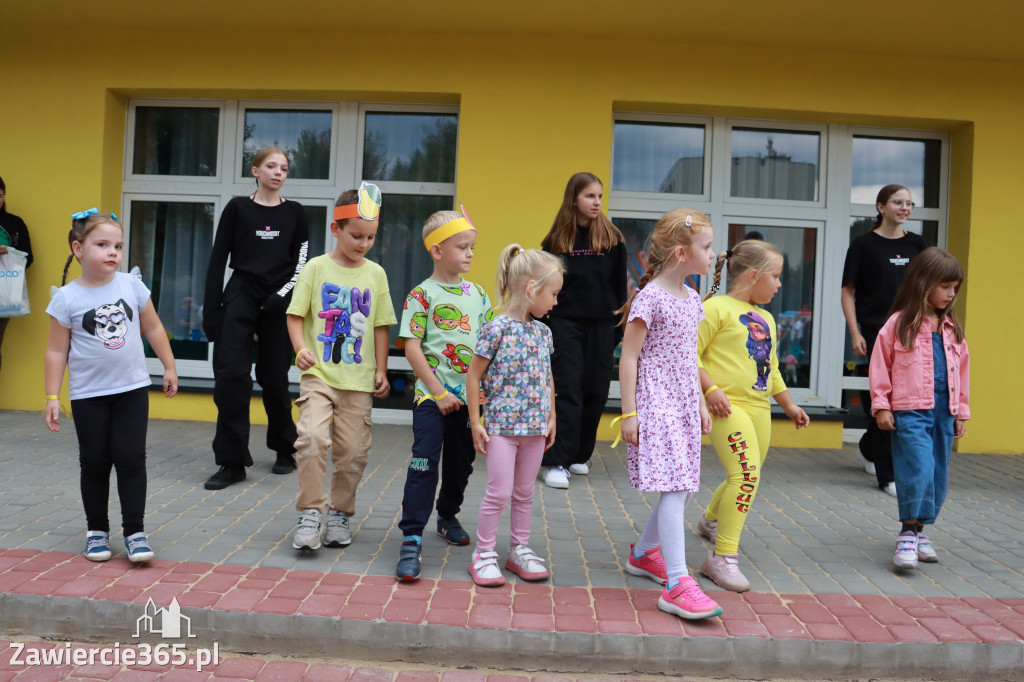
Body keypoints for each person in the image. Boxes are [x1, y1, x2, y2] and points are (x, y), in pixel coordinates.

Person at [43, 209, 177, 562]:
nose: (113, 252)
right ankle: (97, 532)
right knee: (95, 462)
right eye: (102, 244)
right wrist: (52, 395)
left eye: (117, 245)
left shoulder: (131, 286)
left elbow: (154, 328)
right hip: (88, 396)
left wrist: (169, 365)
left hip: (132, 389)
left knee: (132, 459)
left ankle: (135, 531)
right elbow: (56, 350)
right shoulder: (67, 299)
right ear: (78, 248)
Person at [617, 209, 722, 620]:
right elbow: (628, 357)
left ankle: (644, 553)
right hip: (656, 402)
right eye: (707, 247)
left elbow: (689, 355)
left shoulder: (693, 297)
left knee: (679, 486)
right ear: (681, 253)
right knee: (677, 488)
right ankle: (678, 582)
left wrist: (699, 400)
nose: (713, 255)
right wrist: (629, 414)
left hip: (681, 404)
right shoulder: (651, 298)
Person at [286, 183, 396, 551]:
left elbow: (381, 324)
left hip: (359, 380)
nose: (363, 244)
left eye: (370, 237)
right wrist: (301, 348)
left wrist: (381, 369)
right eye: (356, 236)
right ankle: (311, 512)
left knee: (352, 452)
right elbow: (295, 316)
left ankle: (339, 514)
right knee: (313, 440)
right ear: (336, 229)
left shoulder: (376, 274)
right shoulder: (316, 268)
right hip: (319, 375)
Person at [696, 239, 810, 592]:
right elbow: (687, 354)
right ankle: (722, 557)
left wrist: (789, 404)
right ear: (753, 274)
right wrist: (711, 389)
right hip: (726, 407)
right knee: (745, 475)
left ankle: (711, 519)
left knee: (749, 473)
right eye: (775, 277)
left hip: (760, 408)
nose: (779, 285)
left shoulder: (766, 319)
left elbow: (771, 367)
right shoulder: (714, 308)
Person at [202, 146, 309, 490]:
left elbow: (302, 262)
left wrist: (282, 297)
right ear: (256, 170)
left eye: (284, 168)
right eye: (271, 166)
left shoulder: (295, 213)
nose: (278, 172)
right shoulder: (238, 208)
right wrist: (212, 309)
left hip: (279, 301)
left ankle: (284, 449)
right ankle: (232, 462)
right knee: (231, 377)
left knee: (274, 379)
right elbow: (218, 258)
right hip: (241, 295)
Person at [394, 208, 493, 581]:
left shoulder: (479, 294)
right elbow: (412, 348)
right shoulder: (421, 295)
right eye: (462, 247)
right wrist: (437, 392)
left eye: (472, 247)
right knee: (424, 463)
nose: (470, 253)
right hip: (431, 400)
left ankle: (447, 514)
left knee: (461, 463)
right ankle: (411, 537)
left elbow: (486, 349)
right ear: (437, 251)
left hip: (470, 401)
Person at [465, 245, 562, 586]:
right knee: (499, 491)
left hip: (535, 428)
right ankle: (484, 553)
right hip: (501, 429)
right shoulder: (496, 328)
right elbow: (474, 376)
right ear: (531, 288)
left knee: (524, 492)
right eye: (552, 293)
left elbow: (546, 377)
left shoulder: (543, 332)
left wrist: (551, 417)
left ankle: (519, 550)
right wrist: (476, 422)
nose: (555, 301)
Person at [869, 247, 969, 570]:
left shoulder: (952, 329)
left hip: (944, 410)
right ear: (923, 283)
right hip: (910, 409)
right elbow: (880, 365)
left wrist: (961, 412)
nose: (951, 294)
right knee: (918, 467)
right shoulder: (900, 324)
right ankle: (907, 534)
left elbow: (963, 370)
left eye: (955, 288)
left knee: (938, 473)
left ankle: (921, 530)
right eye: (945, 287)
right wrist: (881, 405)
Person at [539, 172, 627, 489]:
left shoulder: (613, 239)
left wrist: (618, 330)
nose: (596, 203)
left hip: (603, 327)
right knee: (568, 391)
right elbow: (544, 287)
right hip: (565, 325)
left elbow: (620, 289)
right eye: (590, 196)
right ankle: (554, 461)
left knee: (595, 392)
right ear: (574, 198)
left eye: (600, 197)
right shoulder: (555, 242)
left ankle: (578, 454)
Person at [841, 184, 926, 495]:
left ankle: (867, 447)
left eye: (909, 203)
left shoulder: (918, 245)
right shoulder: (863, 245)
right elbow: (848, 291)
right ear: (880, 207)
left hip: (911, 331)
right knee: (888, 399)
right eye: (897, 202)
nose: (904, 208)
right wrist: (855, 331)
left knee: (899, 400)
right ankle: (887, 476)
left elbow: (927, 288)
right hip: (877, 330)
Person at [0, 176, 34, 374]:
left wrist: (10, 253)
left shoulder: (15, 223)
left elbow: (29, 258)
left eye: (0, 195)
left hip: (5, 296)